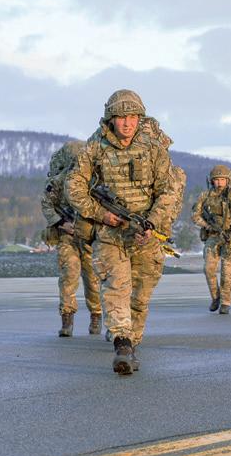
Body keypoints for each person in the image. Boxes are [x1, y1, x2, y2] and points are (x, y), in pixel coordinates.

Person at [67, 90, 178, 375]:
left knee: (140, 296)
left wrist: (151, 223)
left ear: (139, 118)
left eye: (132, 117)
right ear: (111, 119)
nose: (127, 123)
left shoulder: (153, 148)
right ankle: (122, 344)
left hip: (145, 233)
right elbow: (74, 187)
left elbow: (168, 191)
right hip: (110, 234)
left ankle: (132, 343)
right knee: (116, 288)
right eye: (120, 117)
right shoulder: (95, 147)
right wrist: (101, 214)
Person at [41, 141, 102, 337]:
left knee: (93, 279)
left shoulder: (93, 181)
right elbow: (46, 204)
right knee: (68, 276)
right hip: (67, 236)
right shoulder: (58, 182)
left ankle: (96, 315)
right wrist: (61, 223)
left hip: (90, 236)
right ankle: (67, 319)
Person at [192, 165, 231, 314]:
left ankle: (225, 302)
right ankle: (215, 297)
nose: (219, 183)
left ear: (227, 180)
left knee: (226, 271)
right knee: (208, 269)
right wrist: (208, 226)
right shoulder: (205, 195)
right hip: (213, 236)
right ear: (212, 181)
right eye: (216, 180)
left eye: (222, 179)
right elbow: (195, 215)